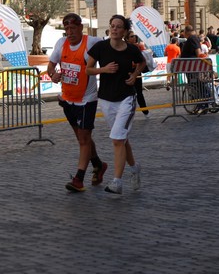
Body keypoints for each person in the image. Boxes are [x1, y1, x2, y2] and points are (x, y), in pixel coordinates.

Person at [47, 13, 106, 193]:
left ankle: (78, 179)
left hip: (87, 100)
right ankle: (98, 164)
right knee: (82, 137)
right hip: (67, 99)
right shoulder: (61, 44)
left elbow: (112, 47)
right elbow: (51, 66)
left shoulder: (92, 43)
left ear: (81, 27)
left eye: (73, 28)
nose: (70, 32)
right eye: (66, 29)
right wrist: (53, 75)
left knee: (83, 139)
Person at [86, 14, 144, 195]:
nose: (114, 29)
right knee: (121, 138)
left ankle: (117, 182)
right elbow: (88, 69)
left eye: (119, 27)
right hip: (105, 98)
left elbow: (142, 62)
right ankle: (134, 168)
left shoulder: (132, 49)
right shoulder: (100, 47)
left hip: (126, 98)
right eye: (112, 26)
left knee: (117, 139)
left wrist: (134, 76)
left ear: (125, 31)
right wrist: (103, 69)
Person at [126, 30, 150, 117]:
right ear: (127, 39)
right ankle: (127, 113)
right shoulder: (125, 48)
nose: (134, 37)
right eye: (132, 36)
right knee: (127, 94)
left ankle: (145, 111)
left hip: (137, 72)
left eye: (135, 36)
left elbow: (141, 60)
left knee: (139, 92)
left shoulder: (137, 47)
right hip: (127, 73)